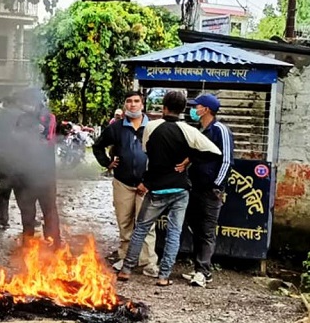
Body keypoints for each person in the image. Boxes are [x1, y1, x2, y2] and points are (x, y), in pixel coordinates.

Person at [118, 91, 222, 286]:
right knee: (174, 233)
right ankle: (164, 276)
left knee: (140, 229)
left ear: (163, 107)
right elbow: (214, 152)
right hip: (180, 190)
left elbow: (147, 151)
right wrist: (189, 158)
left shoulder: (151, 127)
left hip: (156, 188)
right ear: (183, 110)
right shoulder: (189, 130)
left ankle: (126, 269)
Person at [92, 91, 159, 278]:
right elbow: (98, 146)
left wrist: (149, 181)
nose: (132, 105)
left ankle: (148, 262)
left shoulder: (153, 127)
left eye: (136, 101)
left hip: (146, 185)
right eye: (129, 101)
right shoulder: (117, 128)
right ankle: (126, 257)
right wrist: (107, 163)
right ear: (124, 105)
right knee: (125, 223)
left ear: (143, 105)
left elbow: (161, 155)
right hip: (123, 183)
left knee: (147, 224)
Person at [182, 94, 234, 287]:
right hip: (195, 187)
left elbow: (227, 160)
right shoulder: (200, 130)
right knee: (195, 227)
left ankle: (203, 272)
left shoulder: (221, 130)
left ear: (207, 109)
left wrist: (216, 186)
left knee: (207, 230)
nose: (195, 110)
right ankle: (200, 269)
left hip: (210, 191)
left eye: (198, 106)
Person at [12, 89, 60, 244]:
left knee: (49, 211)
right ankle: (28, 244)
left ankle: (54, 243)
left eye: (26, 102)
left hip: (45, 174)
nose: (24, 105)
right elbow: (15, 142)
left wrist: (30, 136)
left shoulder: (49, 118)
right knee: (27, 212)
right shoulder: (21, 119)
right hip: (24, 174)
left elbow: (47, 140)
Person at [0, 94, 22, 230]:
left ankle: (2, 220)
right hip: (17, 159)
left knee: (3, 191)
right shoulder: (21, 115)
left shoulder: (1, 115)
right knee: (21, 191)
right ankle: (28, 219)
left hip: (3, 158)